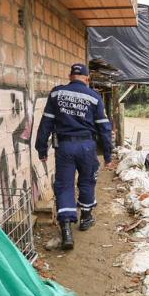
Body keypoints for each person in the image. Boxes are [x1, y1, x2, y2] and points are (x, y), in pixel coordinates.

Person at [35, 63, 114, 250]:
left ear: (70, 76)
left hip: (65, 146)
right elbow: (104, 127)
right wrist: (108, 155)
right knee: (87, 181)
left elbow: (46, 122)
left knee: (64, 186)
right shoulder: (94, 97)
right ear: (87, 79)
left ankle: (66, 231)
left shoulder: (56, 93)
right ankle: (86, 218)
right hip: (87, 146)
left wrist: (41, 149)